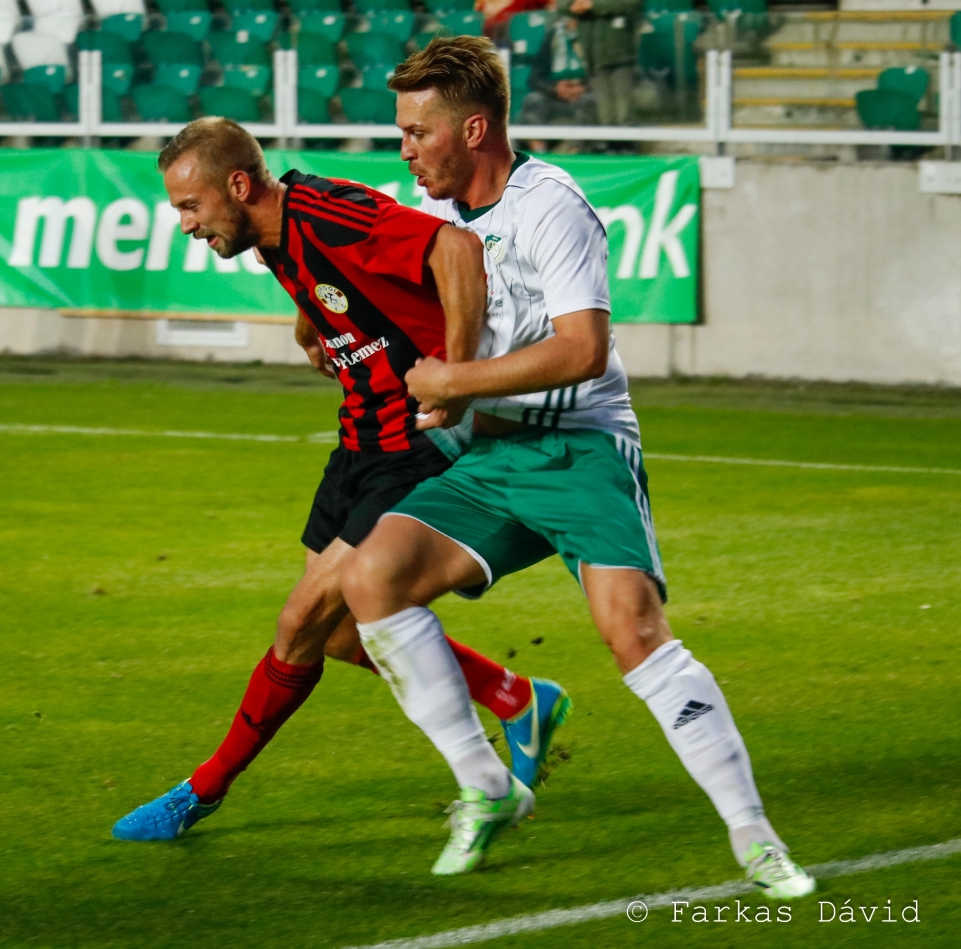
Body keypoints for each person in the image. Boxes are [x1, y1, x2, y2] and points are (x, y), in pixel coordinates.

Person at [339, 35, 817, 894]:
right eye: (402, 131)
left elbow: (583, 349)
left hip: (581, 443)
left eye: (418, 132)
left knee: (631, 632)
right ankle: (486, 786)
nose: (404, 149)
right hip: (492, 453)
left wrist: (455, 379)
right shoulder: (423, 213)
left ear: (475, 129)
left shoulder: (551, 205)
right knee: (372, 577)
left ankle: (756, 837)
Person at [111, 116, 572, 842]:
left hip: (413, 445)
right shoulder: (272, 234)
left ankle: (201, 790)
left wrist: (453, 376)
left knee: (300, 621)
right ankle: (517, 696)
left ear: (238, 185)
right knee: (338, 636)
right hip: (359, 437)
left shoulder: (325, 214)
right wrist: (311, 325)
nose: (185, 224)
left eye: (189, 206)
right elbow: (330, 286)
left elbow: (455, 248)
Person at [556, 0, 640, 126]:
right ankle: (610, 143)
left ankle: (625, 144)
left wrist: (593, 5)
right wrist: (572, 5)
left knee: (624, 114)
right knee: (605, 115)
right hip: (593, 57)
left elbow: (634, 3)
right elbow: (561, 5)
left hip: (621, 54)